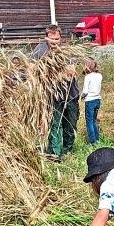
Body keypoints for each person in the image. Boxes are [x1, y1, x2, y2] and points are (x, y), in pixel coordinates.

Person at [31, 25, 80, 159]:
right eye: (51, 39)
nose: (54, 42)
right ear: (46, 38)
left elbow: (71, 71)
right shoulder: (39, 50)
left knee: (70, 123)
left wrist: (57, 70)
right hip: (52, 95)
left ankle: (67, 150)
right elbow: (32, 68)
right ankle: (55, 153)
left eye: (57, 39)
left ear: (60, 38)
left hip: (70, 93)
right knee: (55, 124)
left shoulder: (67, 50)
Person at [81, 57, 103, 144]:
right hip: (97, 99)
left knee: (89, 122)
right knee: (94, 120)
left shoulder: (88, 77)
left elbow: (85, 91)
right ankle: (97, 139)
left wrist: (82, 96)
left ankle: (92, 141)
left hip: (90, 100)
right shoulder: (99, 75)